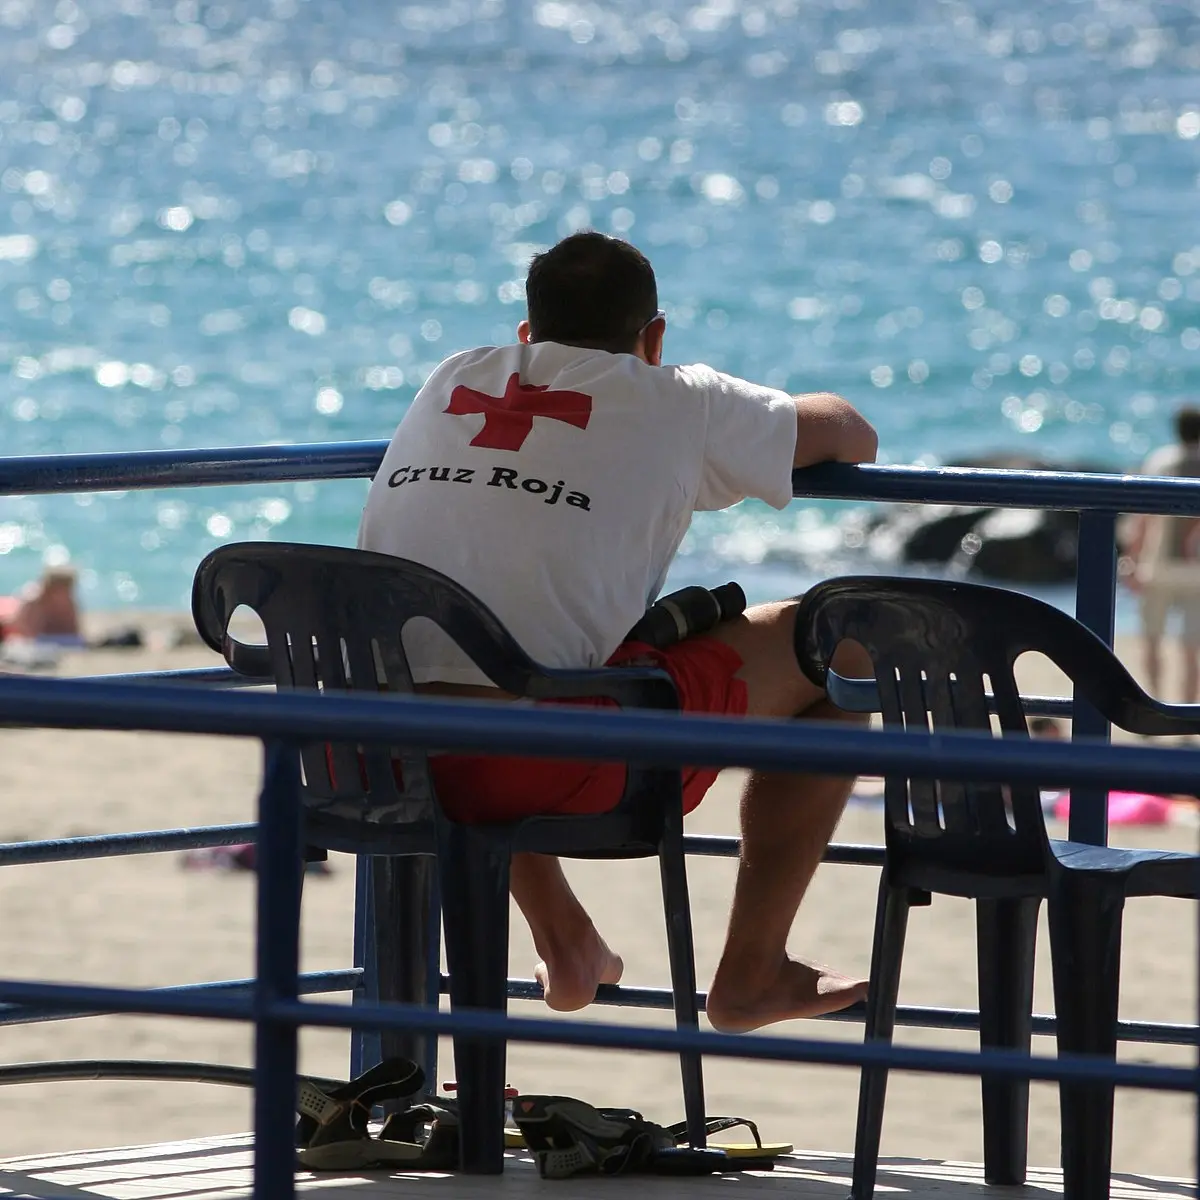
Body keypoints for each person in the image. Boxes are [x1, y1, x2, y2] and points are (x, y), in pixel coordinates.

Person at [358, 231, 878, 1033]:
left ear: (526, 334)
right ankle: (753, 971)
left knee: (506, 655)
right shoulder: (679, 398)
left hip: (371, 753)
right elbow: (851, 434)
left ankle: (566, 940)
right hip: (535, 767)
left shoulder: (453, 376)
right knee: (842, 641)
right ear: (654, 338)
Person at [1122, 406, 1200, 700]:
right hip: (1196, 571)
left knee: (1152, 642)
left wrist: (1131, 560)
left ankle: (1156, 701)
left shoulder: (1160, 461)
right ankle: (1187, 713)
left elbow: (1143, 519)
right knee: (1191, 651)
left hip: (1158, 566)